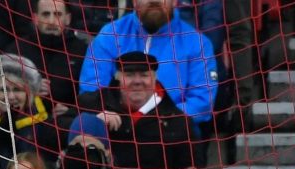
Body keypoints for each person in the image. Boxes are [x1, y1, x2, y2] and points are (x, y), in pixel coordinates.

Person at [78, 0, 217, 126]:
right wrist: (122, 119)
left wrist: (153, 120)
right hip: (117, 130)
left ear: (175, 2)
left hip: (174, 135)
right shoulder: (109, 35)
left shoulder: (197, 43)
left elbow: (202, 102)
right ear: (133, 2)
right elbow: (92, 90)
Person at [6, 0, 88, 118]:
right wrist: (27, 91)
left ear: (68, 19)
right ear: (35, 18)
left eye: (58, 14)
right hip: (24, 121)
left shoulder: (82, 50)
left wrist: (71, 112)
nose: (51, 21)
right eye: (45, 14)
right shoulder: (16, 50)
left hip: (67, 122)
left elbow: (92, 93)